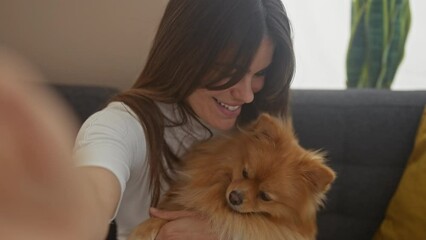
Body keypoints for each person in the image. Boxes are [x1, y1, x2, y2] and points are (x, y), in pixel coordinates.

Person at [0, 0, 295, 239]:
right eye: (228, 70)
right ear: (184, 56)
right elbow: (95, 194)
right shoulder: (123, 126)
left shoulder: (260, 129)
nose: (246, 94)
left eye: (259, 74)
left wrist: (229, 231)